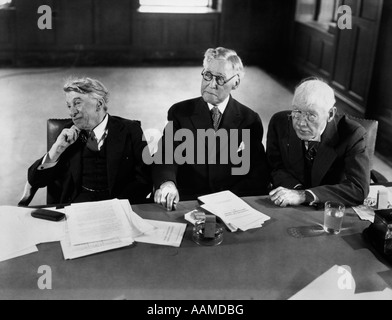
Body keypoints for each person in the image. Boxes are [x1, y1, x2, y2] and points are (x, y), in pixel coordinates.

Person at [152, 47, 270, 211]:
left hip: (231, 202)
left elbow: (256, 172)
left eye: (220, 79)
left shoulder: (249, 119)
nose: (211, 84)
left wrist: (231, 202)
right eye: (207, 75)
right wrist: (167, 183)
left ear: (235, 82)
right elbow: (166, 155)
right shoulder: (180, 112)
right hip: (186, 200)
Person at [28, 77, 152, 204]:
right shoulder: (66, 133)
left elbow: (145, 177)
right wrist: (56, 150)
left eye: (77, 103)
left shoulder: (130, 130)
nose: (72, 112)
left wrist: (120, 204)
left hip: (118, 204)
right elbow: (36, 181)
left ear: (99, 104)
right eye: (69, 106)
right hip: (76, 206)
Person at [267, 78, 370, 207]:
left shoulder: (352, 134)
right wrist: (295, 190)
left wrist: (304, 195)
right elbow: (275, 166)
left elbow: (358, 189)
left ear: (330, 114)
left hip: (329, 208)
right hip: (290, 202)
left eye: (311, 115)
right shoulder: (280, 123)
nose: (301, 123)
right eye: (297, 111)